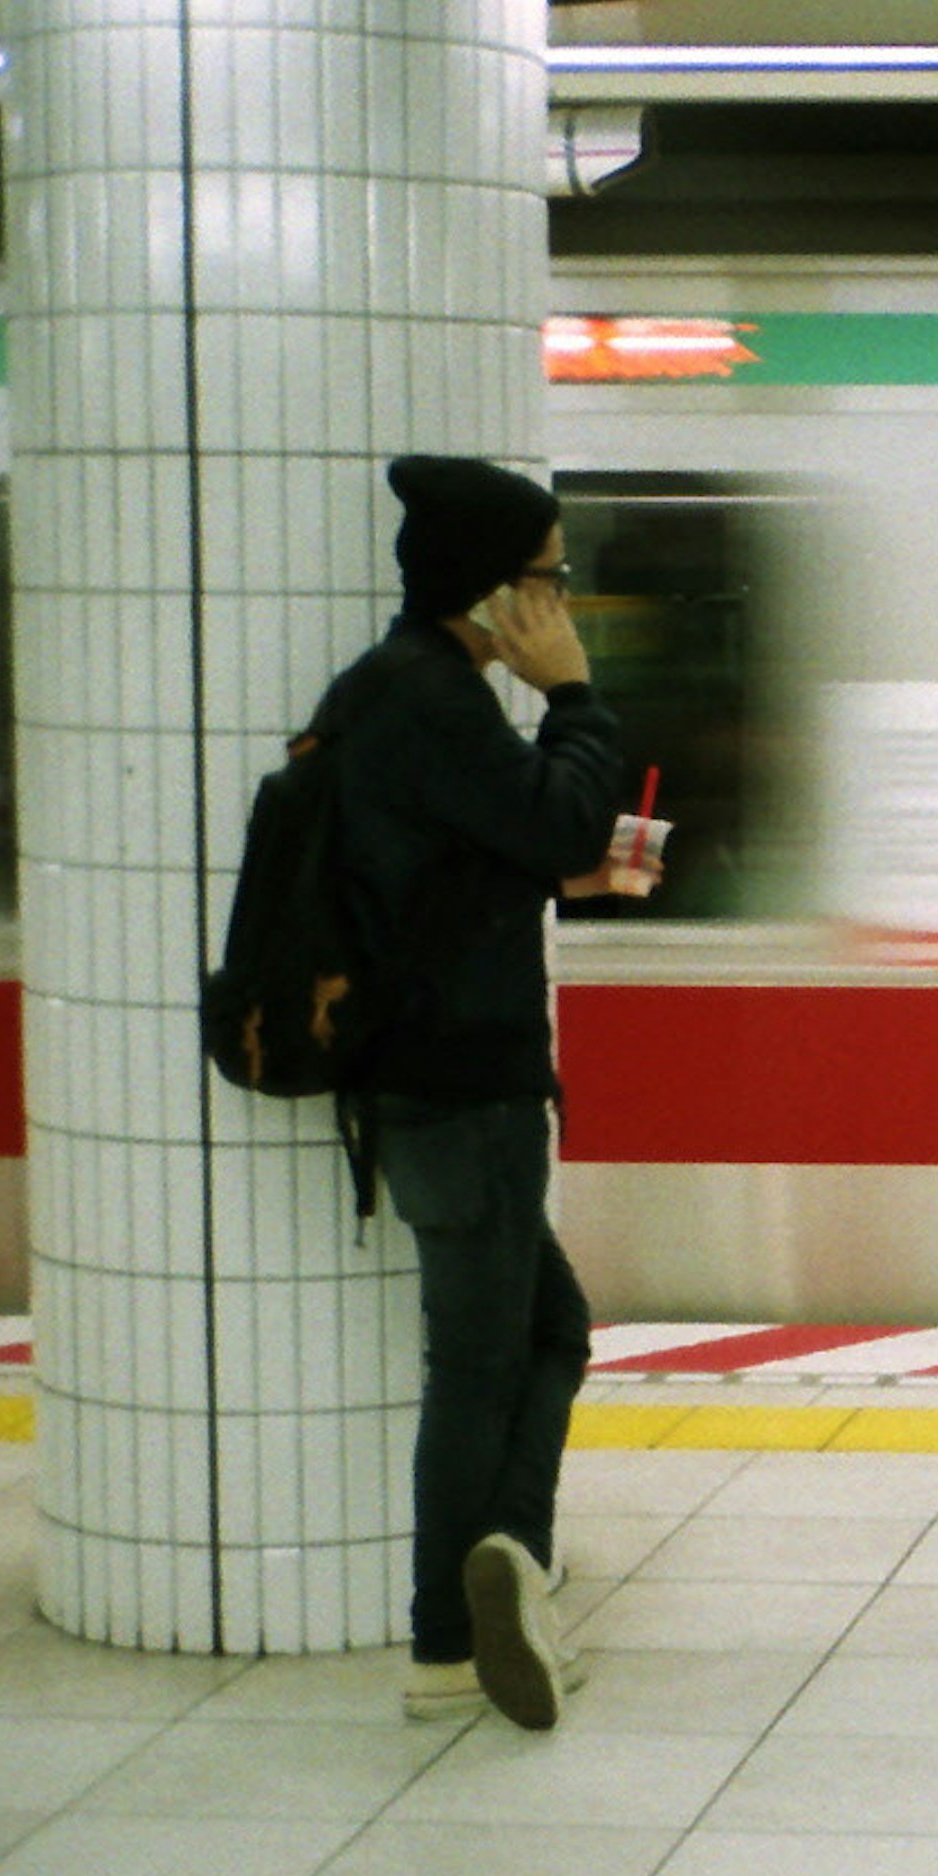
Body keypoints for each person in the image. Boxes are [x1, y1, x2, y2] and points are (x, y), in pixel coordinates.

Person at [335, 454, 658, 1728]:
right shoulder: (434, 698)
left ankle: (505, 1570)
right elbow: (562, 820)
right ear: (494, 596)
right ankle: (447, 1637)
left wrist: (552, 876)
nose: (564, 605)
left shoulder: (395, 694)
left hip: (436, 1084)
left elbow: (451, 869)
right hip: (465, 1094)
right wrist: (575, 697)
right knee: (478, 1364)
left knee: (545, 1329)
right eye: (552, 581)